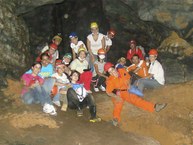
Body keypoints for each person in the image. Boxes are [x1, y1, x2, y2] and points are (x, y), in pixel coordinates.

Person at [104, 62, 167, 126]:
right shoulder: (110, 80)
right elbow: (108, 92)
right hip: (118, 93)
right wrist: (117, 97)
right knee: (118, 103)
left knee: (136, 100)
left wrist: (128, 84)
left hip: (126, 90)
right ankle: (115, 120)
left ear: (114, 68)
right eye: (110, 72)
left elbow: (128, 77)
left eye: (112, 70)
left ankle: (155, 107)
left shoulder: (122, 70)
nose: (112, 72)